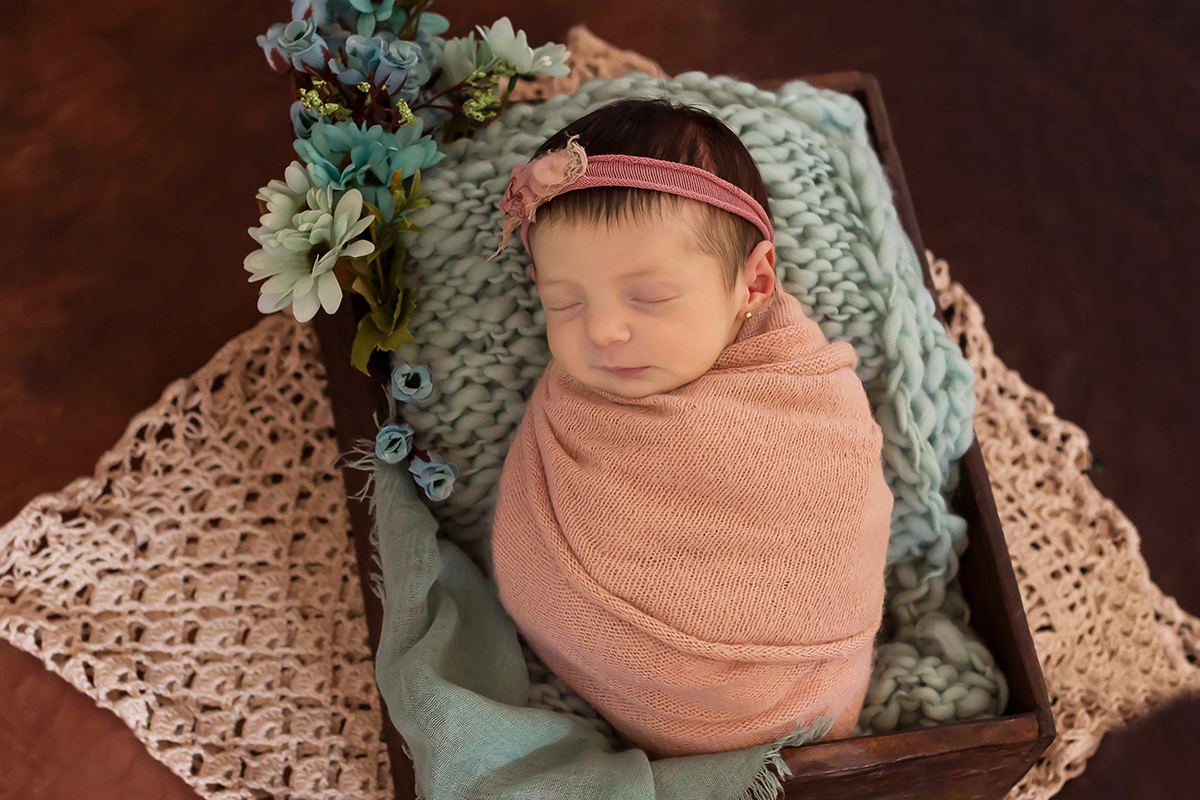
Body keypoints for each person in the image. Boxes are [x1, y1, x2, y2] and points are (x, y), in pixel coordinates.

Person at [489, 97, 893, 758]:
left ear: (754, 282)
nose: (601, 331)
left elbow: (842, 528)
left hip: (802, 713)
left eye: (649, 297)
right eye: (563, 302)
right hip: (622, 694)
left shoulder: (808, 404)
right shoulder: (572, 412)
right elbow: (533, 567)